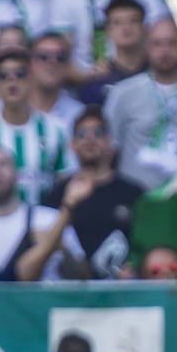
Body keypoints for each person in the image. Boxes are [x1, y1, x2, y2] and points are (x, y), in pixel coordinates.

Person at [42, 105, 144, 279]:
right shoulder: (57, 194)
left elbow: (143, 245)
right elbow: (43, 245)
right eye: (81, 134)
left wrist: (135, 268)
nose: (90, 139)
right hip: (69, 293)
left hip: (121, 292)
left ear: (109, 142)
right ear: (72, 144)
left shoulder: (133, 193)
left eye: (98, 133)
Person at [102, 17, 177, 192]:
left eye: (172, 43)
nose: (164, 51)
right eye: (157, 44)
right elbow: (109, 149)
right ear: (146, 47)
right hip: (134, 195)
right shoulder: (123, 92)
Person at [0, 48, 74, 204]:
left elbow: (66, 181)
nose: (12, 81)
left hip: (45, 223)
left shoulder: (57, 130)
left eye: (20, 74)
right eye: (4, 75)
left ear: (31, 80)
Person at [0, 143, 88, 280]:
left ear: (17, 175)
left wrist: (60, 248)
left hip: (51, 301)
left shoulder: (50, 219)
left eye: (3, 163)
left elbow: (84, 276)